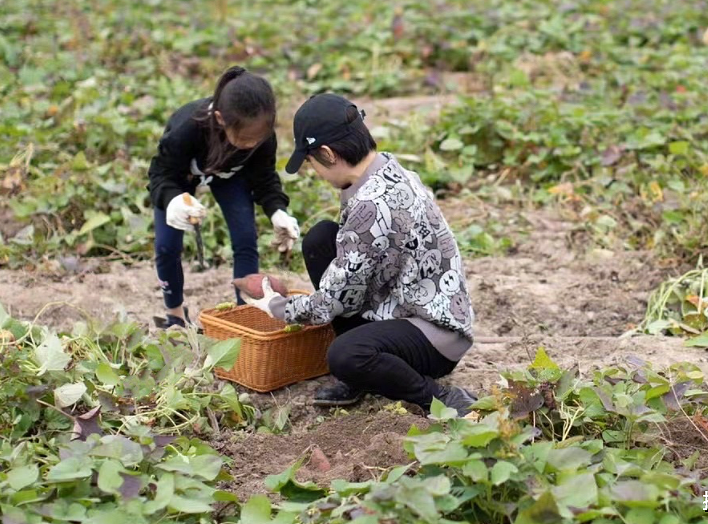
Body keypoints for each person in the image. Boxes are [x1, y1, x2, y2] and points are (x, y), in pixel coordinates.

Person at [242, 93, 478, 417]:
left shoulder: (371, 204)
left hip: (436, 334)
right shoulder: (385, 168)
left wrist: (277, 307)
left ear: (327, 154)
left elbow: (330, 302)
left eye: (310, 163)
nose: (314, 172)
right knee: (321, 239)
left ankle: (440, 400)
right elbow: (353, 270)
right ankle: (366, 375)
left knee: (345, 355)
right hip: (408, 301)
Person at [146, 66, 301, 328]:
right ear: (220, 119)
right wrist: (172, 200)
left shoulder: (262, 137)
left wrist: (277, 210)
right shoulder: (187, 127)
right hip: (179, 178)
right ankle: (174, 314)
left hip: (230, 177)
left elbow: (264, 177)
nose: (252, 144)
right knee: (167, 245)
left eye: (257, 139)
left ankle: (245, 314)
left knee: (245, 238)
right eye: (243, 139)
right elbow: (160, 174)